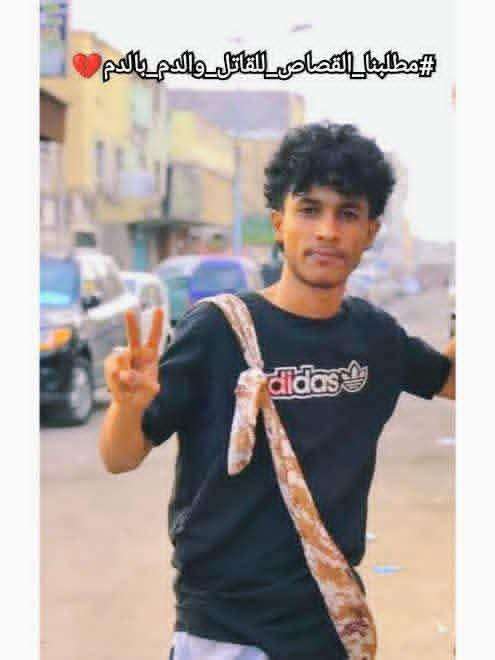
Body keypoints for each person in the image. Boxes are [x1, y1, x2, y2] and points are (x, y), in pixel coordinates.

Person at [99, 122, 455, 660]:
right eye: (309, 210)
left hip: (330, 626)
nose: (327, 231)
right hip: (224, 634)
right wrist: (127, 407)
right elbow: (120, 457)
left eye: (347, 214)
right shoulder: (216, 331)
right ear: (279, 223)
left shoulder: (376, 338)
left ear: (370, 231)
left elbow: (452, 378)